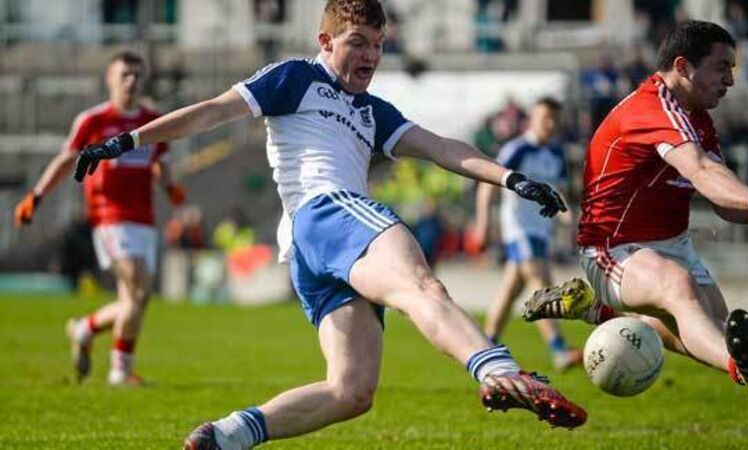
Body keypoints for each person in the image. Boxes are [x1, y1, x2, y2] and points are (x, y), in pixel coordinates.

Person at [72, 1, 585, 447]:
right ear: (325, 41)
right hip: (329, 211)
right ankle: (500, 370)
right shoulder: (296, 78)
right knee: (419, 284)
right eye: (357, 42)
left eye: (378, 45)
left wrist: (510, 178)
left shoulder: (372, 111)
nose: (370, 56)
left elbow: (440, 147)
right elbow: (211, 112)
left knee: (351, 390)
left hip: (311, 249)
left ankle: (227, 435)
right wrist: (128, 140)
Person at [522, 21, 748, 402]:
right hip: (612, 248)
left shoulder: (698, 118)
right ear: (683, 66)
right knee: (678, 288)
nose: (730, 80)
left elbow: (721, 200)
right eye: (722, 67)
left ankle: (597, 310)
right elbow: (700, 170)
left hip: (673, 244)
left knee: (711, 325)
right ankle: (744, 368)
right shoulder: (651, 108)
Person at [14, 51, 187, 386]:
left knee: (133, 300)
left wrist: (171, 189)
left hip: (144, 219)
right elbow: (66, 160)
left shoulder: (152, 120)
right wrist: (36, 195)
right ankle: (120, 371)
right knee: (138, 289)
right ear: (109, 79)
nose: (131, 81)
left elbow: (160, 162)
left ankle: (85, 328)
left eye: (137, 75)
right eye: (124, 75)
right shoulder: (93, 121)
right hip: (110, 217)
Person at [473, 97, 581, 371]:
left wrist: (571, 221)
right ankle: (558, 349)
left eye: (554, 118)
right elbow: (488, 184)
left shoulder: (555, 154)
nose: (550, 123)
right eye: (545, 117)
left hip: (541, 232)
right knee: (539, 281)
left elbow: (560, 196)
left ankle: (484, 346)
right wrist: (483, 223)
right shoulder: (517, 149)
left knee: (510, 291)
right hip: (519, 230)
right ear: (532, 119)